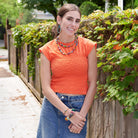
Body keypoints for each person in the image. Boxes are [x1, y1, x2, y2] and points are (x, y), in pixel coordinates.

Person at [37, 3, 97, 138]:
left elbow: (93, 83)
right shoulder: (47, 50)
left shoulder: (89, 46)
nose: (73, 24)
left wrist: (80, 117)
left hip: (78, 107)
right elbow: (46, 88)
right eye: (69, 19)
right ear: (59, 20)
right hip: (52, 106)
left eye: (77, 21)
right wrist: (69, 114)